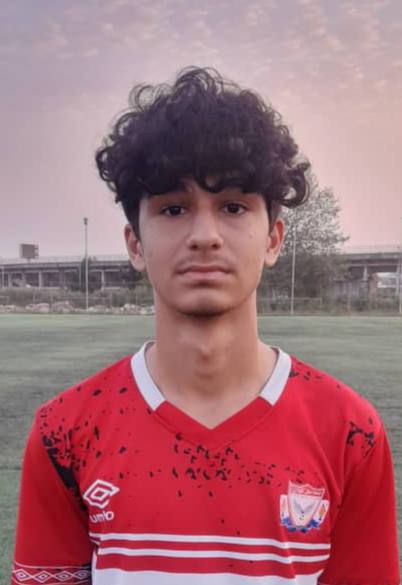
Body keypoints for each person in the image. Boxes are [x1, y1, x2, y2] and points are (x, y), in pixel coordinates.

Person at [12, 67, 400, 585]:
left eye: (233, 207)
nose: (204, 235)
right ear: (135, 244)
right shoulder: (64, 432)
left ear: (273, 239)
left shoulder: (350, 432)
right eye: (173, 208)